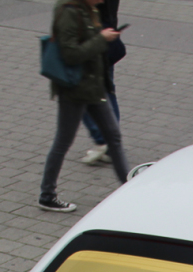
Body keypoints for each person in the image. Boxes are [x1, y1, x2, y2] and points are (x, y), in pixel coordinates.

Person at [38, 0, 130, 213]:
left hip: (93, 87)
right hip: (75, 90)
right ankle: (47, 195)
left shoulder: (88, 9)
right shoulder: (70, 12)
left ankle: (128, 189)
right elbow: (70, 54)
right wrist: (101, 39)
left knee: (113, 138)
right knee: (63, 142)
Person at [76, 0, 122, 166]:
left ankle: (105, 140)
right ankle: (111, 145)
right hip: (105, 34)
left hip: (95, 38)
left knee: (82, 91)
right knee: (107, 89)